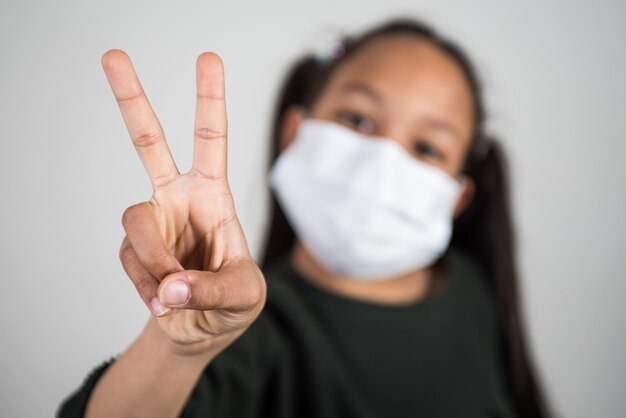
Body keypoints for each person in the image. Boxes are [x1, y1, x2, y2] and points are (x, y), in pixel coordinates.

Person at [58, 19, 549, 418]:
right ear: (294, 132)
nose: (380, 163)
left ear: (458, 198)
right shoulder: (245, 332)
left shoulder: (472, 291)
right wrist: (177, 352)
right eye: (357, 120)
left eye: (426, 148)